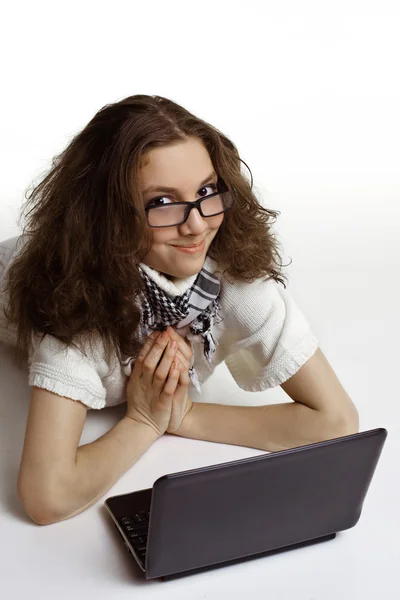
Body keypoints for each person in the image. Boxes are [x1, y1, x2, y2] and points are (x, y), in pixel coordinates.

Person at [0, 94, 359, 526]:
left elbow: (337, 422)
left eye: (206, 192)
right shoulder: (74, 313)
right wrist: (145, 421)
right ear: (108, 216)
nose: (196, 225)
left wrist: (185, 415)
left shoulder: (238, 288)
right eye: (162, 203)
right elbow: (47, 497)